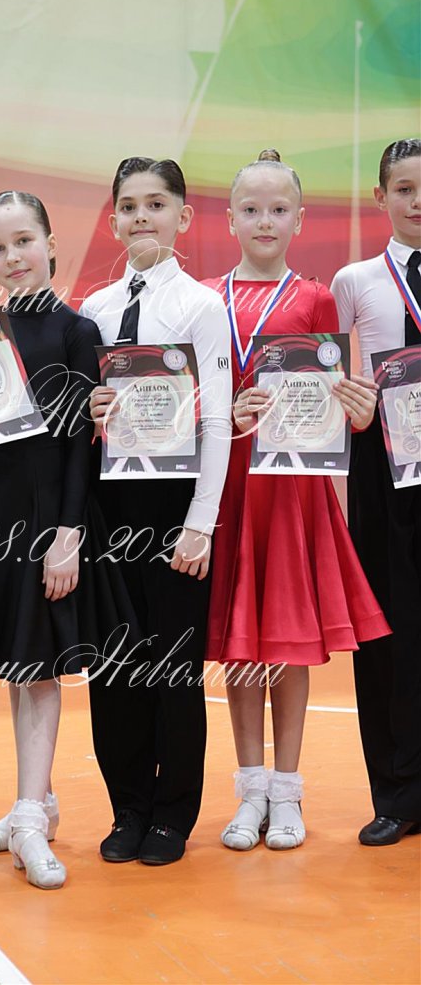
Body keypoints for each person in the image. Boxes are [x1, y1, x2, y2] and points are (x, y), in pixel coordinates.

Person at [0, 190, 131, 890]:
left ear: (49, 243)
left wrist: (68, 532)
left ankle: (31, 820)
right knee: (19, 662)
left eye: (23, 241)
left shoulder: (76, 330)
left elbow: (78, 443)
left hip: (49, 515)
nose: (12, 257)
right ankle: (33, 804)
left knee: (41, 668)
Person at [204, 149, 390, 851]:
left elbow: (343, 403)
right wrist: (226, 407)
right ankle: (249, 789)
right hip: (230, 486)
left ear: (299, 219)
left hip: (292, 493)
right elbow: (192, 399)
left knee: (284, 638)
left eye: (278, 209)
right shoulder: (205, 296)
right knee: (240, 642)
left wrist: (357, 409)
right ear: (229, 218)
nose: (265, 220)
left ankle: (287, 791)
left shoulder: (316, 300)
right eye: (251, 209)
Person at [84, 157, 233, 865]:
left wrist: (201, 522)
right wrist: (88, 405)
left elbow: (218, 419)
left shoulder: (202, 307)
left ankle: (172, 813)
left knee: (173, 667)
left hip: (175, 508)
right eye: (129, 205)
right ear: (114, 218)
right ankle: (127, 808)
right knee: (113, 665)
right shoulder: (94, 310)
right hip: (108, 506)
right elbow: (78, 418)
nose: (141, 216)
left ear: (183, 216)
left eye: (156, 203)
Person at [331, 138, 421, 846]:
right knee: (389, 628)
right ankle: (397, 792)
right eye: (405, 188)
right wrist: (353, 408)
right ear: (381, 196)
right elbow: (325, 377)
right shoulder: (355, 279)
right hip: (384, 465)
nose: (417, 200)